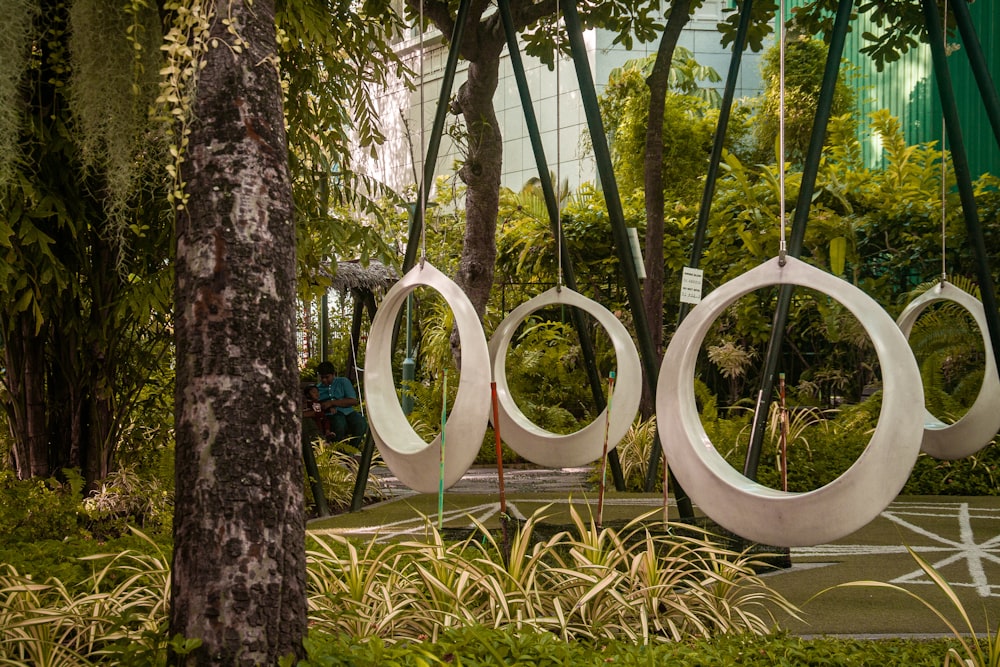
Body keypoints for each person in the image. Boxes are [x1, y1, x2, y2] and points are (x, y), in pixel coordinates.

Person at [315, 361, 367, 446]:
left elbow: (353, 401)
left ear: (333, 374)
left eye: (327, 377)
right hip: (331, 415)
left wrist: (332, 403)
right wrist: (326, 407)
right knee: (339, 423)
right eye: (322, 377)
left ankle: (352, 448)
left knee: (361, 423)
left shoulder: (343, 382)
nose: (324, 380)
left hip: (348, 412)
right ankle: (337, 448)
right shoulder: (317, 389)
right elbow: (316, 405)